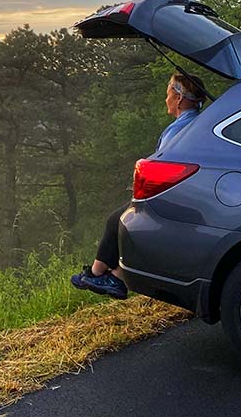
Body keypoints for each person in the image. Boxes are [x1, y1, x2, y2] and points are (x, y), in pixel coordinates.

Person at [70, 70, 208, 299]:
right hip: (189, 192)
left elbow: (165, 164)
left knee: (121, 221)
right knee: (124, 221)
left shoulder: (179, 130)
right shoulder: (197, 123)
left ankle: (98, 274)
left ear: (179, 99)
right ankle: (111, 276)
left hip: (173, 194)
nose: (165, 99)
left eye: (167, 94)